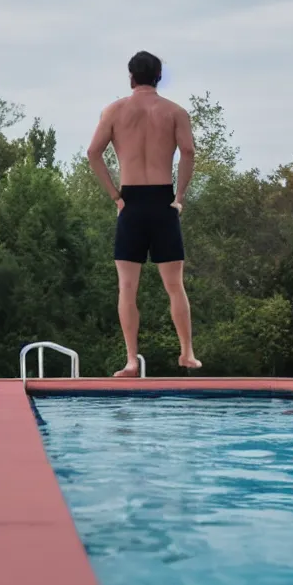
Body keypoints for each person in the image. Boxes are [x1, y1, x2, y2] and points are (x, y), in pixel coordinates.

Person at [87, 50, 202, 377]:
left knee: (126, 287)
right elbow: (189, 152)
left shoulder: (115, 110)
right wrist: (179, 197)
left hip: (132, 202)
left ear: (131, 77)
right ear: (159, 77)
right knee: (175, 286)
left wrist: (115, 197)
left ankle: (131, 361)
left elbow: (93, 153)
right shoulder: (175, 112)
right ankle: (187, 354)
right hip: (163, 200)